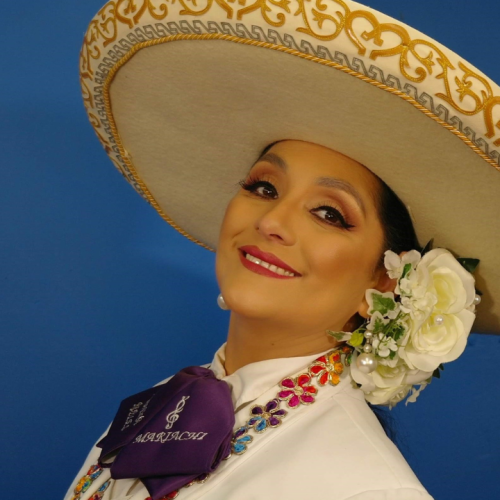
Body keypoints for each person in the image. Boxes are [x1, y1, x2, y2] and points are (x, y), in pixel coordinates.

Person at [67, 1, 499, 499]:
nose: (271, 221)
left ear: (384, 282)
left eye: (328, 214)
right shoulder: (157, 409)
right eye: (264, 188)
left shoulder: (368, 489)